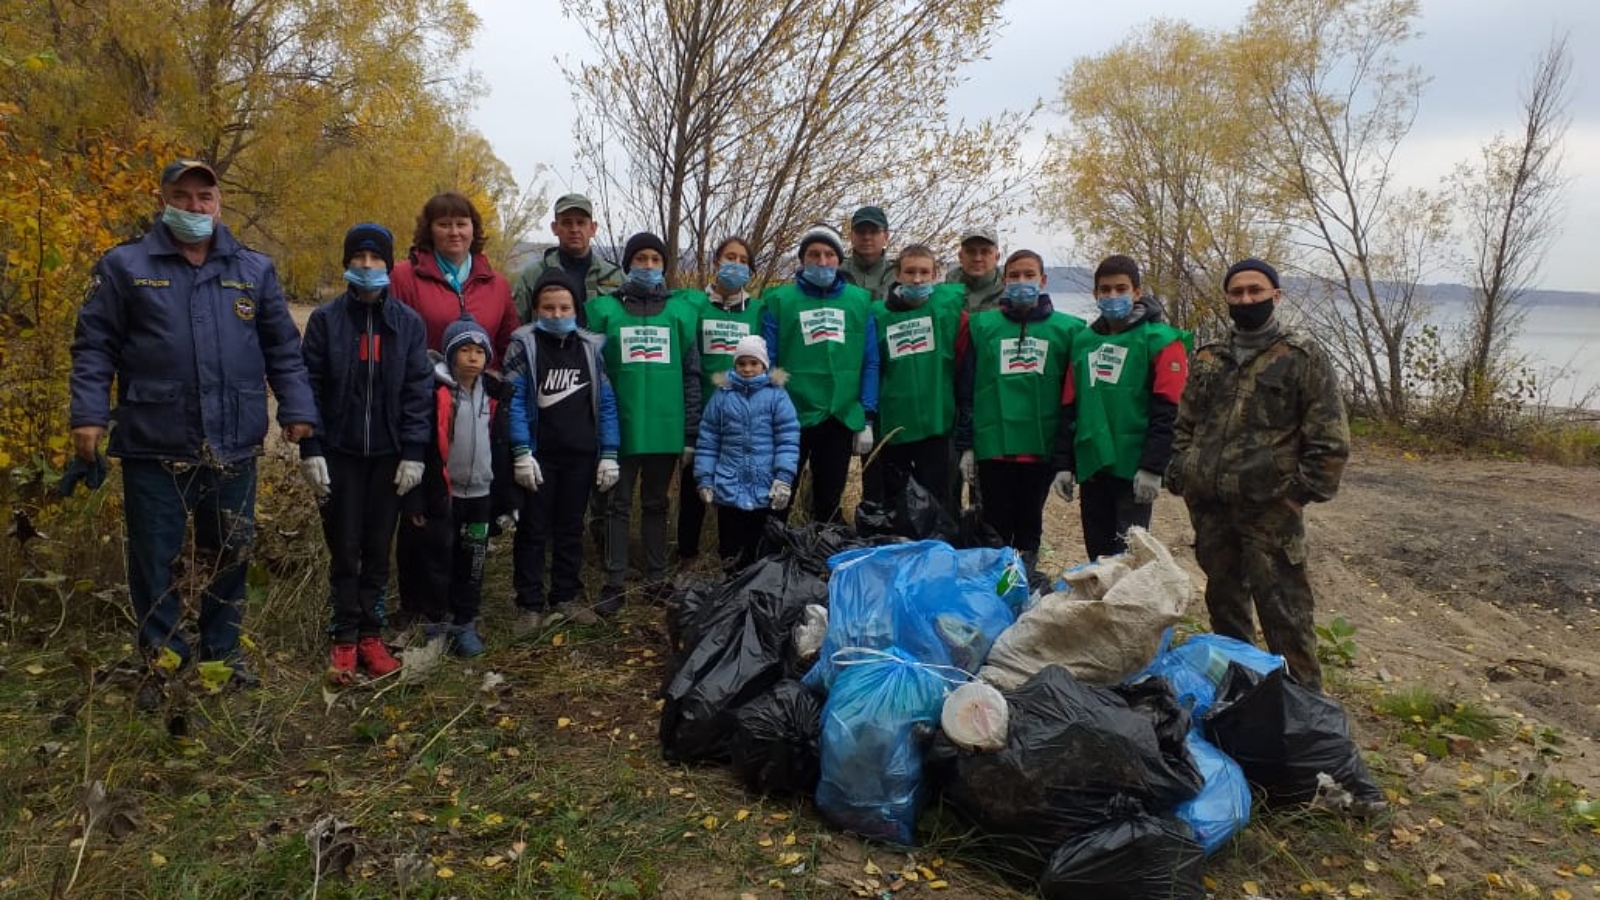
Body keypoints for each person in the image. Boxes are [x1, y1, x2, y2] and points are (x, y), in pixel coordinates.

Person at [69, 158, 317, 687]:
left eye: (205, 198)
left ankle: (221, 657)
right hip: (153, 442)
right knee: (154, 558)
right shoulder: (125, 265)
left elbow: (283, 349)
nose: (195, 207)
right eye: (183, 197)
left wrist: (297, 408)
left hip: (233, 441)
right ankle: (164, 660)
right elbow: (94, 347)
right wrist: (88, 415)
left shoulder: (253, 270)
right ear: (164, 200)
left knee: (229, 551)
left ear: (219, 203)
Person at [1166, 258, 1349, 691]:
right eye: (1237, 293)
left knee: (1284, 610)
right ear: (1227, 299)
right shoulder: (1210, 357)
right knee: (1225, 603)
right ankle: (1240, 691)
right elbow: (1185, 424)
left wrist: (1297, 495)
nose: (1246, 299)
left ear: (1276, 296)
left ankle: (1304, 706)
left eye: (1255, 291)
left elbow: (1329, 438)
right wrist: (1182, 473)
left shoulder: (1301, 356)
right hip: (1211, 508)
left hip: (1270, 510)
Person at [299, 223, 432, 682]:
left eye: (377, 259)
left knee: (378, 546)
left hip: (390, 456)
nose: (368, 266)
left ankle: (372, 635)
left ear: (388, 266)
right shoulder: (325, 320)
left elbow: (418, 391)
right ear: (347, 264)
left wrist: (414, 451)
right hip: (339, 452)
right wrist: (310, 446)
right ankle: (343, 637)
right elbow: (308, 385)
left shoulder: (408, 325)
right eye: (360, 258)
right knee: (345, 546)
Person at [586, 232, 702, 614]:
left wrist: (689, 431)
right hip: (619, 425)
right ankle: (614, 579)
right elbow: (595, 372)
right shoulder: (604, 310)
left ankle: (656, 578)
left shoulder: (681, 313)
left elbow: (690, 374)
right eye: (641, 259)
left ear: (664, 266)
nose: (648, 266)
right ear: (627, 264)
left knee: (656, 503)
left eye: (655, 259)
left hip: (665, 428)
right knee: (617, 504)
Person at [954, 249, 1085, 587]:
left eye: (1029, 275)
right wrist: (965, 445)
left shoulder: (1068, 330)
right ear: (1003, 281)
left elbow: (1073, 399)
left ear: (1043, 280)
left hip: (1039, 448)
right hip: (993, 445)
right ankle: (991, 591)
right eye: (1014, 276)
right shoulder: (983, 326)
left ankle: (1020, 588)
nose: (1022, 282)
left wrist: (1065, 459)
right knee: (993, 525)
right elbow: (966, 388)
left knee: (1029, 525)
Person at [502, 269, 622, 632]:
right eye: (548, 307)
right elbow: (514, 403)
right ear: (536, 309)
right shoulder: (524, 346)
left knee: (571, 528)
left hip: (581, 455)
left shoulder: (589, 349)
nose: (556, 314)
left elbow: (606, 403)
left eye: (564, 307)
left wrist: (610, 453)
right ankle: (530, 603)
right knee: (534, 530)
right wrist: (521, 451)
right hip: (539, 457)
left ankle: (566, 596)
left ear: (575, 309)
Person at [1053, 254, 1190, 561]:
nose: (1113, 296)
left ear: (1137, 292)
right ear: (1095, 294)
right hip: (1093, 466)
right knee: (1098, 556)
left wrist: (1154, 467)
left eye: (1121, 289)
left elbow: (1169, 410)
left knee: (1128, 557)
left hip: (1134, 467)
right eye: (1105, 289)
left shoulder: (1161, 341)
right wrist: (1063, 464)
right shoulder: (1085, 341)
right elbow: (1070, 406)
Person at [400, 317, 514, 657]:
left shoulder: (495, 395)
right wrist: (416, 499)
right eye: (464, 350)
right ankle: (435, 623)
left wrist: (505, 501)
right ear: (451, 355)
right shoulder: (434, 394)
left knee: (473, 560)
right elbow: (423, 448)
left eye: (480, 351)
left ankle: (465, 621)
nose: (473, 357)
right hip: (443, 497)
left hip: (480, 496)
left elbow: (502, 449)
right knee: (438, 558)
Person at [760, 223, 879, 524]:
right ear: (802, 259)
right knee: (779, 498)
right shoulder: (779, 300)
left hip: (838, 416)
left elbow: (870, 360)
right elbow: (768, 361)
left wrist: (866, 415)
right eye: (814, 254)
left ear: (839, 259)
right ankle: (773, 560)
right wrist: (773, 405)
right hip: (791, 416)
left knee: (829, 499)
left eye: (829, 254)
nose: (822, 261)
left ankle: (819, 557)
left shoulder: (859, 301)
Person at [676, 237, 764, 563]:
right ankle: (687, 555)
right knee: (692, 487)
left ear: (751, 270)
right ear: (716, 262)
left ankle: (731, 557)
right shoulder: (693, 306)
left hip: (742, 417)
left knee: (734, 486)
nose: (736, 264)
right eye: (730, 257)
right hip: (702, 413)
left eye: (743, 260)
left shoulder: (758, 310)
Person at [863, 244, 966, 515]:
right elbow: (871, 364)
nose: (917, 279)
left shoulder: (947, 306)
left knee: (937, 501)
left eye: (924, 272)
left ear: (935, 274)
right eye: (910, 272)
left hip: (936, 422)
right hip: (894, 424)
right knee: (896, 502)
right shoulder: (878, 314)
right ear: (897, 273)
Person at [694, 335, 801, 570]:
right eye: (741, 363)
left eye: (753, 363)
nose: (747, 369)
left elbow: (788, 439)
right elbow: (708, 440)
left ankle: (760, 591)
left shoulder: (777, 395)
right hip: (729, 483)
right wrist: (704, 478)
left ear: (764, 365)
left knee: (762, 547)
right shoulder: (722, 396)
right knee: (731, 549)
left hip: (765, 485)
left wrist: (784, 477)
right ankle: (732, 589)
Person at [390, 191, 519, 360]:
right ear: (429, 231)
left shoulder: (498, 285)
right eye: (444, 225)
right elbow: (391, 343)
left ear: (473, 228)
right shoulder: (402, 277)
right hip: (424, 383)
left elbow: (510, 349)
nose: (454, 232)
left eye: (461, 224)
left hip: (483, 384)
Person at [511, 193, 625, 325]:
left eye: (581, 223)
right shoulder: (533, 276)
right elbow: (517, 328)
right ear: (554, 228)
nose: (574, 229)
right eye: (567, 223)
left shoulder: (615, 276)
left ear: (593, 228)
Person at [840, 205, 894, 302]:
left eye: (874, 232)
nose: (866, 237)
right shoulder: (836, 271)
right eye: (861, 232)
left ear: (886, 236)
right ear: (851, 236)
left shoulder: (898, 273)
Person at [946, 226, 1004, 313]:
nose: (977, 258)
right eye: (970, 251)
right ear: (960, 257)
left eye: (985, 252)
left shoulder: (1010, 294)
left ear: (997, 257)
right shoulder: (943, 293)